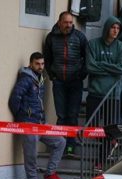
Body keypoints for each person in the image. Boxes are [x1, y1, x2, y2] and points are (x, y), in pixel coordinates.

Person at [8, 52, 67, 179]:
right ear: (31, 64)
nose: (40, 67)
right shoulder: (26, 79)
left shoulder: (39, 78)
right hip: (28, 124)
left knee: (60, 142)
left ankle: (50, 174)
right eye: (37, 64)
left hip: (40, 123)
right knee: (31, 156)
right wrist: (22, 118)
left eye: (42, 64)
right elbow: (14, 99)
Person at [86, 16, 122, 167]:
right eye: (113, 27)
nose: (115, 31)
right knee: (92, 129)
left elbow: (121, 70)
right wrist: (110, 68)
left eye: (118, 28)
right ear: (107, 28)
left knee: (110, 131)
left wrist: (101, 65)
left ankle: (100, 161)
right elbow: (90, 67)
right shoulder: (93, 44)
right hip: (95, 93)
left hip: (113, 96)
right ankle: (109, 144)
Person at [43, 11, 88, 156]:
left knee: (73, 115)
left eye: (70, 22)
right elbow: (47, 59)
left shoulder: (80, 37)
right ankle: (59, 146)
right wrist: (52, 76)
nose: (69, 25)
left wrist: (81, 75)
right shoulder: (51, 38)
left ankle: (71, 146)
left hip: (75, 82)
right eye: (66, 22)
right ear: (59, 22)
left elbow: (87, 58)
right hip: (59, 82)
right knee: (61, 115)